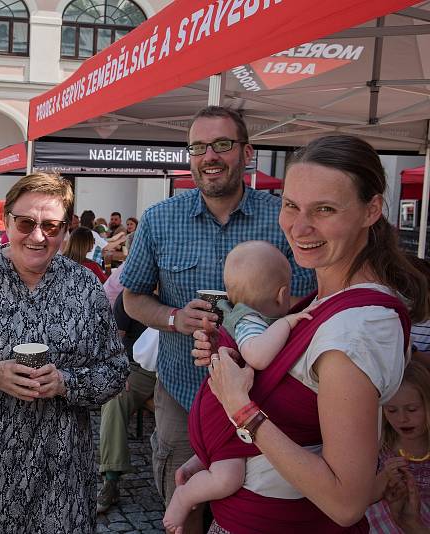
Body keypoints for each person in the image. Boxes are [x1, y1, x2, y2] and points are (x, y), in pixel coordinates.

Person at [190, 134, 430, 533]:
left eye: (324, 209)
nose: (299, 227)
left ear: (371, 210)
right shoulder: (325, 299)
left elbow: (345, 501)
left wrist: (239, 408)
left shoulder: (357, 330)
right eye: (290, 205)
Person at [120, 105, 316, 533]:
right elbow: (133, 298)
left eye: (222, 145)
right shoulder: (160, 217)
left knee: (256, 507)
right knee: (183, 498)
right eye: (198, 146)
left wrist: (250, 325)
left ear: (247, 153)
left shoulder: (282, 216)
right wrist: (174, 317)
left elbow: (304, 297)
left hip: (268, 393)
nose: (210, 156)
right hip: (184, 392)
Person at [0, 172, 128, 533]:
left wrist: (66, 382)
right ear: (6, 221)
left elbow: (116, 370)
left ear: (66, 230)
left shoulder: (84, 286)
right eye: (26, 222)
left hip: (59, 483)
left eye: (50, 226)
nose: (37, 236)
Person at [163, 240, 315, 532]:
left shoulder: (243, 317)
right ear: (283, 294)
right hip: (222, 412)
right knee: (228, 477)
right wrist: (288, 324)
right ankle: (184, 497)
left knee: (225, 459)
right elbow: (257, 356)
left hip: (223, 410)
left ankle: (199, 467)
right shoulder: (250, 322)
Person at [97, 290, 157, 513]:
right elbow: (114, 341)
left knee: (177, 408)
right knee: (114, 398)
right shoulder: (131, 295)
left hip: (175, 367)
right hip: (136, 367)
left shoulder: (179, 291)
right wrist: (119, 373)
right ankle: (111, 480)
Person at [366, 359, 430, 533]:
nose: (402, 419)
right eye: (392, 410)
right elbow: (363, 498)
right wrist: (384, 479)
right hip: (383, 512)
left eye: (412, 409)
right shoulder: (382, 441)